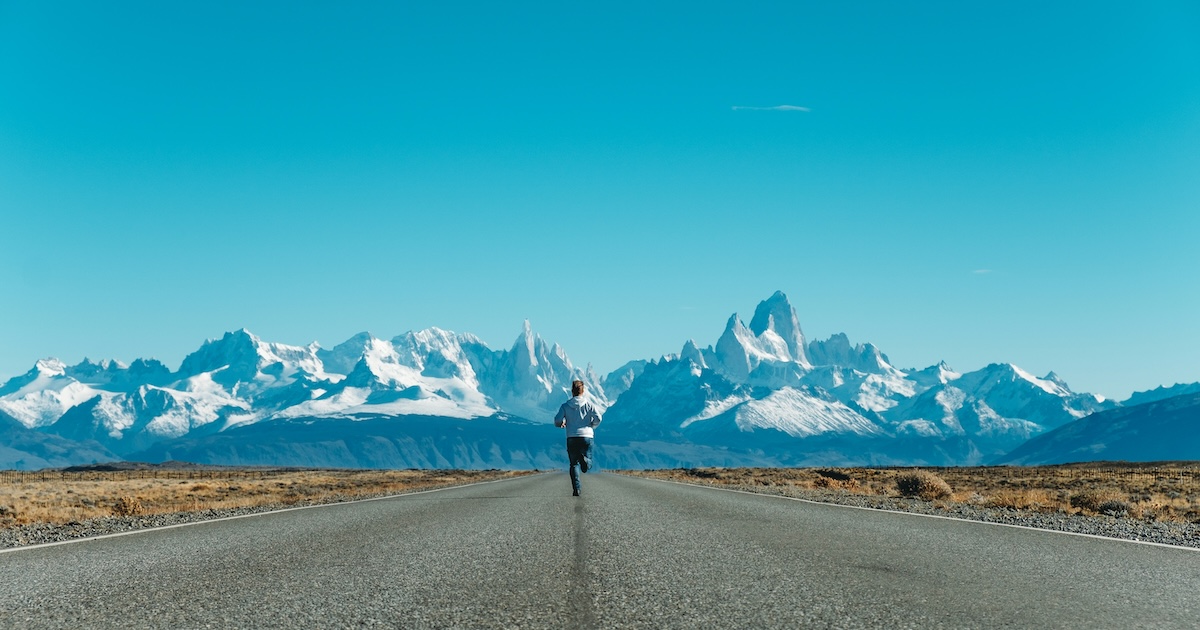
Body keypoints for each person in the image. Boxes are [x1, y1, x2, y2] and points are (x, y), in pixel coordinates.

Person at [553, 379, 602, 496]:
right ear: (583, 391)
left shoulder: (565, 406)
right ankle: (585, 460)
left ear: (572, 391)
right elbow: (598, 418)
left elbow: (557, 420)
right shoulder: (589, 405)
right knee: (588, 464)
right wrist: (592, 425)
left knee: (573, 464)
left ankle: (577, 489)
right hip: (587, 436)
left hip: (572, 437)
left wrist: (562, 424)